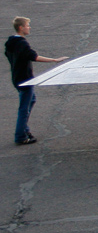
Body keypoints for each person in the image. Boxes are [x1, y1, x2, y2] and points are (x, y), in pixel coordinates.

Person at [6, 17, 67, 145]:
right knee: (24, 108)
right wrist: (54, 60)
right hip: (25, 79)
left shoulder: (11, 42)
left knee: (31, 100)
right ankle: (21, 136)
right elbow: (34, 56)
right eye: (27, 25)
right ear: (21, 28)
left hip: (17, 78)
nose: (29, 27)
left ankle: (24, 129)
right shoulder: (22, 43)